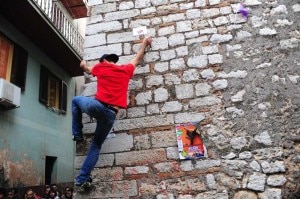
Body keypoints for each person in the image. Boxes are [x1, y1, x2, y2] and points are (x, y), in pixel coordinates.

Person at [72, 36, 152, 187]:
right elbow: (137, 58)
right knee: (96, 145)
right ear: (112, 62)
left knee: (75, 100)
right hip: (111, 115)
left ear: (103, 61)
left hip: (97, 106)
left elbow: (86, 69)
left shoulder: (100, 67)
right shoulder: (125, 70)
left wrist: (83, 64)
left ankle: (77, 134)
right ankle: (81, 179)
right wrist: (144, 44)